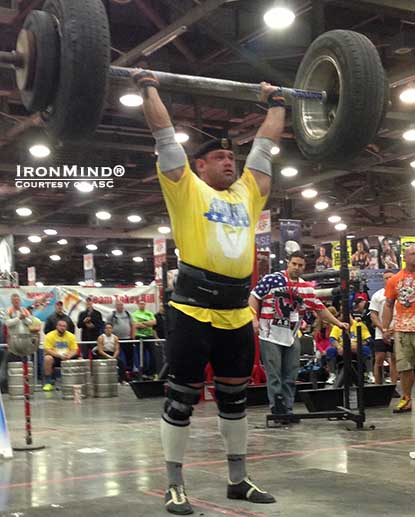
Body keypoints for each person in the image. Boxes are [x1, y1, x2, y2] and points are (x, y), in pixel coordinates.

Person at [133, 67, 285, 513]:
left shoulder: (248, 194)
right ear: (199, 164)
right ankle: (174, 484)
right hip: (192, 308)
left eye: (230, 157)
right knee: (182, 397)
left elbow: (266, 144)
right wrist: (148, 86)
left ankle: (238, 481)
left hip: (237, 311)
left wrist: (276, 103)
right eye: (218, 157)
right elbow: (163, 132)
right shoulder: (186, 189)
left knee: (236, 397)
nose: (228, 160)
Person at [249, 251, 348, 413]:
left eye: (300, 265)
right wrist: (253, 319)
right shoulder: (272, 279)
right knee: (274, 375)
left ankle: (287, 408)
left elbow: (320, 309)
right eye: (294, 264)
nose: (296, 267)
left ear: (304, 267)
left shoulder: (305, 288)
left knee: (290, 375)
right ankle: (276, 408)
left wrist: (338, 323)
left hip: (291, 336)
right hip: (269, 334)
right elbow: (253, 297)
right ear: (288, 263)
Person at [382, 245, 415, 414]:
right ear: (404, 257)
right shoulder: (394, 280)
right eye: (413, 254)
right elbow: (388, 305)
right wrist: (385, 328)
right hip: (402, 329)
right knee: (404, 366)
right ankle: (407, 398)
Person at [369, 270, 398, 385]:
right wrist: (383, 329)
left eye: (391, 277)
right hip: (381, 332)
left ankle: (393, 385)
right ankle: (377, 384)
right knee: (379, 359)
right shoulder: (378, 295)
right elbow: (373, 315)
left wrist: (395, 328)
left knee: (395, 359)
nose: (389, 280)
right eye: (386, 278)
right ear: (383, 280)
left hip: (396, 331)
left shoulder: (401, 294)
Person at [327, 315, 374, 384]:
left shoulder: (359, 325)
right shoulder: (337, 326)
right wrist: (338, 347)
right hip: (342, 347)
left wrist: (359, 345)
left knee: (366, 350)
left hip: (357, 347)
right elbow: (332, 339)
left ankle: (369, 374)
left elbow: (368, 339)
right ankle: (332, 375)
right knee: (330, 351)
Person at [43, 319, 79, 391]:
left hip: (67, 356)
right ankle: (48, 383)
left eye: (64, 326)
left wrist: (69, 355)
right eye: (60, 325)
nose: (62, 327)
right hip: (55, 356)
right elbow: (48, 350)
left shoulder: (71, 336)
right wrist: (59, 355)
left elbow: (75, 350)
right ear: (56, 326)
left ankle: (75, 382)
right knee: (47, 359)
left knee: (80, 359)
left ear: (66, 328)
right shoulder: (50, 335)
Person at [313, 306, 339, 383]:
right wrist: (321, 350)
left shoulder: (333, 328)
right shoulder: (318, 329)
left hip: (329, 347)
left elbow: (332, 340)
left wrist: (326, 350)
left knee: (329, 353)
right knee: (318, 355)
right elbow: (316, 341)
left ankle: (331, 373)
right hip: (321, 348)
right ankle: (322, 372)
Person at [131, 300, 157, 378]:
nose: (142, 305)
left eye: (143, 304)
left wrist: (142, 323)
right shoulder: (134, 314)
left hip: (149, 336)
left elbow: (154, 322)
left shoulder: (149, 313)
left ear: (145, 305)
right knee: (141, 356)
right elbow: (136, 325)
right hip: (140, 337)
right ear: (138, 305)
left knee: (153, 355)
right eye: (140, 304)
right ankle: (143, 373)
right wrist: (148, 323)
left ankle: (151, 373)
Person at [4, 293, 33, 362]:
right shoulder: (8, 311)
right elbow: (7, 323)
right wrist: (18, 318)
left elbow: (30, 322)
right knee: (14, 361)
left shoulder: (25, 310)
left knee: (26, 362)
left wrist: (24, 318)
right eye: (14, 301)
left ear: (20, 301)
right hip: (14, 341)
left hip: (25, 340)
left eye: (18, 300)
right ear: (12, 302)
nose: (16, 302)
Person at [107, 301, 134, 372]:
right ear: (116, 306)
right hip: (116, 340)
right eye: (119, 305)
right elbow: (107, 326)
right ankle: (116, 370)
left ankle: (129, 371)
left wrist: (132, 336)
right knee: (116, 356)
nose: (121, 306)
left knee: (129, 356)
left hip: (127, 339)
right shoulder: (111, 315)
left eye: (122, 305)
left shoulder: (128, 314)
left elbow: (133, 325)